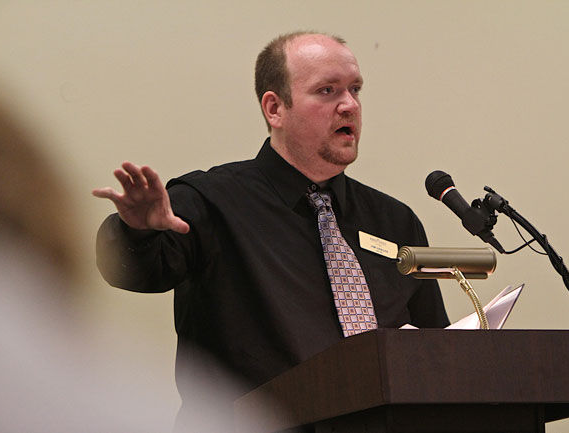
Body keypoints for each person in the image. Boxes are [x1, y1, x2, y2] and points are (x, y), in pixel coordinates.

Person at [94, 32, 449, 429]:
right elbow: (135, 271)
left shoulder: (395, 221)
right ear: (275, 108)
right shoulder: (210, 201)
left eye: (355, 89)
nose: (349, 105)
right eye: (327, 90)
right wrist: (135, 230)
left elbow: (435, 353)